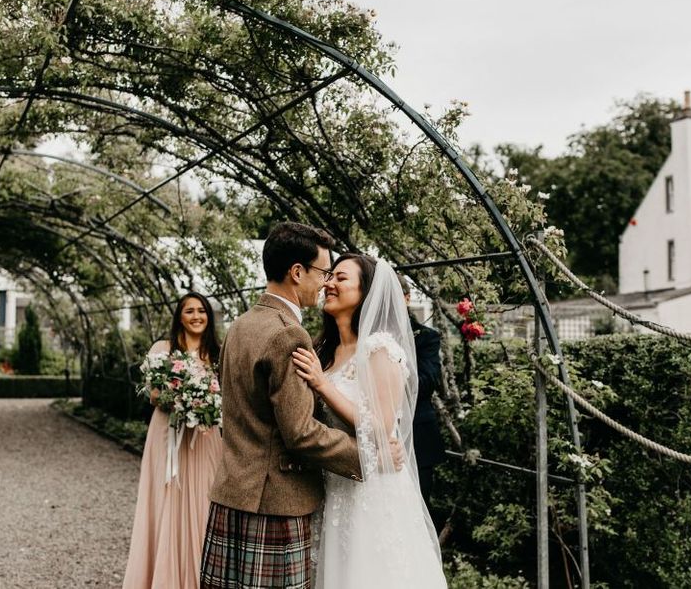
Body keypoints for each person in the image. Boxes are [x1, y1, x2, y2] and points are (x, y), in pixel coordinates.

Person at [199, 222, 365, 589]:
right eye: (323, 272)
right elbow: (301, 432)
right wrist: (364, 455)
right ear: (297, 272)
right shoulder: (288, 333)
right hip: (275, 503)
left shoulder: (240, 326)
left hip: (231, 495)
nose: (325, 283)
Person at [292, 254, 448, 589]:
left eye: (341, 278)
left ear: (366, 292)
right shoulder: (323, 350)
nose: (329, 283)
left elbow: (380, 424)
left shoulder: (379, 349)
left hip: (371, 489)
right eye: (329, 276)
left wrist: (321, 384)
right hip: (332, 483)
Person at [122, 292, 224, 589]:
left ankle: (198, 575)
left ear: (209, 316)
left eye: (201, 311)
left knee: (204, 498)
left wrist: (204, 404)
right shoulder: (163, 349)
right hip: (167, 434)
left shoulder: (217, 352)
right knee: (165, 498)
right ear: (179, 316)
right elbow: (154, 396)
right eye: (189, 311)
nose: (196, 316)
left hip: (204, 436)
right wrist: (186, 400)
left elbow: (226, 395)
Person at [397, 274, 447, 512]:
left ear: (406, 298)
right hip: (377, 440)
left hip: (418, 437)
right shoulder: (362, 335)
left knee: (418, 509)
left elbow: (426, 382)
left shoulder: (427, 337)